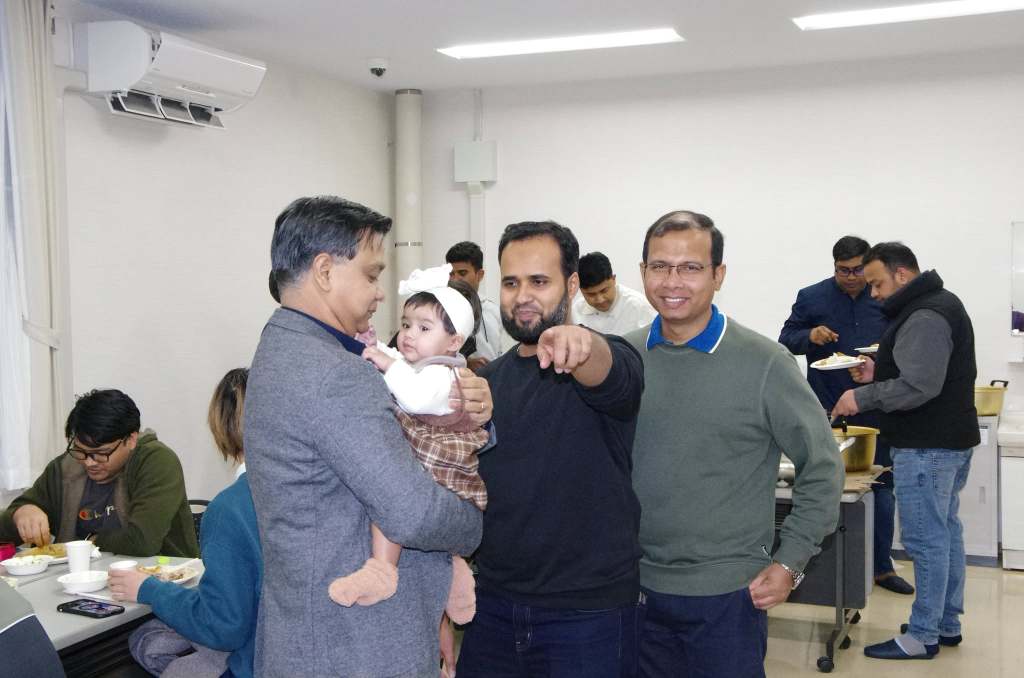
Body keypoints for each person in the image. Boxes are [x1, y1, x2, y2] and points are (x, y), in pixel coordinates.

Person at [245, 195, 485, 677]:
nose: (379, 294)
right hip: (353, 646)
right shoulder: (333, 372)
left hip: (310, 635)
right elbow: (412, 512)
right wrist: (471, 520)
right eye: (372, 275)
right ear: (325, 271)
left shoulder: (281, 350)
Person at [623, 210, 843, 678]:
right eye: (659, 266)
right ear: (642, 272)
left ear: (718, 275)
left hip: (728, 596)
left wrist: (791, 561)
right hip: (634, 589)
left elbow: (822, 465)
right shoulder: (623, 359)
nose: (672, 281)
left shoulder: (765, 363)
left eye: (690, 267)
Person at [456, 221, 645, 678]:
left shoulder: (611, 356)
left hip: (587, 616)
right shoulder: (488, 383)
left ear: (572, 284)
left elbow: (610, 372)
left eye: (539, 281)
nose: (522, 295)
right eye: (511, 283)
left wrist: (583, 344)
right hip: (493, 607)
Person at [832, 242, 979, 661]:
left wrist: (860, 397)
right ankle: (945, 623)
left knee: (926, 540)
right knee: (945, 533)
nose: (874, 293)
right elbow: (923, 369)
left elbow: (919, 386)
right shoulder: (937, 304)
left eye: (877, 283)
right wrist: (879, 370)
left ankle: (922, 636)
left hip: (926, 446)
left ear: (902, 274)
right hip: (947, 442)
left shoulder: (926, 314)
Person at [331, 265, 488, 629]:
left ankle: (383, 569)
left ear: (454, 342)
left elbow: (415, 397)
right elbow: (397, 363)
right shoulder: (419, 364)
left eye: (423, 328)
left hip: (440, 470)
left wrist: (385, 362)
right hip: (429, 467)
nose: (409, 335)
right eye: (405, 325)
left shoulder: (447, 374)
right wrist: (374, 346)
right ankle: (456, 573)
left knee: (389, 504)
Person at [778, 235, 912, 595]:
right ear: (834, 266)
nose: (851, 277)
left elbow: (902, 343)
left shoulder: (882, 295)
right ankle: (824, 569)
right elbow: (786, 339)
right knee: (823, 485)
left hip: (876, 404)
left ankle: (882, 568)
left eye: (857, 270)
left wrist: (881, 357)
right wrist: (810, 335)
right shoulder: (812, 296)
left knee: (882, 487)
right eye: (843, 271)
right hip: (826, 406)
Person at [112, 368, 260, 678]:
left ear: (221, 427)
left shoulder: (230, 510)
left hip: (254, 664)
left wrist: (150, 590)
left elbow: (224, 626)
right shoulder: (314, 492)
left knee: (145, 644)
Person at [0, 389, 197, 558]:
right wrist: (20, 513)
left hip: (162, 578)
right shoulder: (65, 468)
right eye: (80, 451)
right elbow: (5, 528)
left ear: (131, 440)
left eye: (102, 453)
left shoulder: (156, 461)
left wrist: (90, 541)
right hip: (80, 581)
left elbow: (142, 541)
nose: (89, 462)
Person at [446, 241, 503, 370]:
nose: (455, 280)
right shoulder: (439, 311)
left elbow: (500, 352)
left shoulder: (494, 311)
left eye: (462, 273)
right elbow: (431, 355)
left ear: (479, 275)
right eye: (451, 274)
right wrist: (466, 363)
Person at [571, 251, 655, 335]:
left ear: (613, 279)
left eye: (604, 290)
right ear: (580, 289)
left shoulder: (639, 307)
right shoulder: (576, 311)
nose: (600, 300)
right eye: (591, 294)